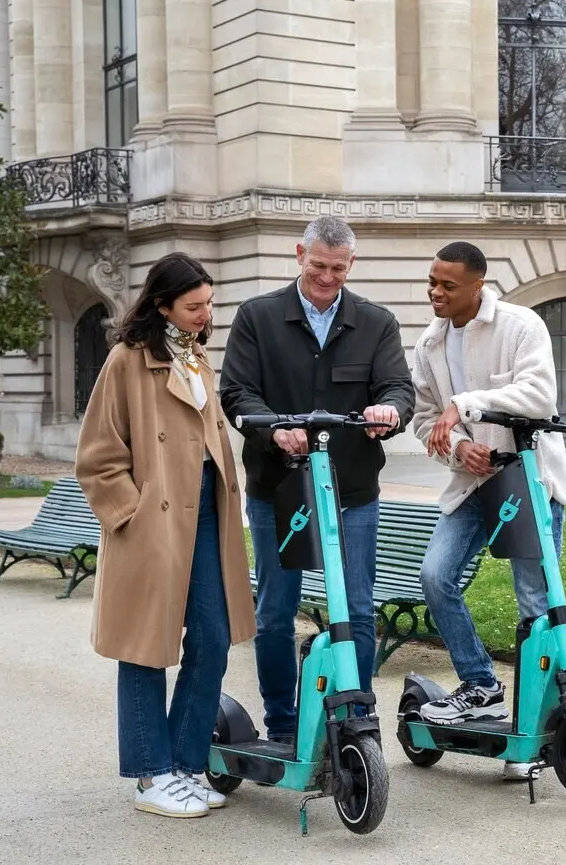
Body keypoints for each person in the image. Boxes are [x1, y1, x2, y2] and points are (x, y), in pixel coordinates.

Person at [219, 215, 415, 742]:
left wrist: (389, 412)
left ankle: (354, 721)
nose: (328, 278)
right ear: (299, 253)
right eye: (319, 265)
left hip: (351, 490)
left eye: (338, 268)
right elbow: (236, 393)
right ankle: (283, 725)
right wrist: (275, 428)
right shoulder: (257, 316)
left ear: (352, 264)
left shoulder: (376, 323)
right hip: (277, 490)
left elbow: (399, 388)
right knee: (276, 613)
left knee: (355, 607)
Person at [75, 253, 257, 818]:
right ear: (162, 304)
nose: (206, 314)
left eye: (208, 304)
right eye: (194, 305)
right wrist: (131, 515)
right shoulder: (127, 361)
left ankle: (185, 762)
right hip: (154, 521)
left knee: (212, 636)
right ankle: (152, 774)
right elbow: (98, 457)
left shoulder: (197, 357)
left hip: (206, 516)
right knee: (145, 645)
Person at [411, 240, 566, 782]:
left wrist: (470, 403)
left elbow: (538, 394)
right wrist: (460, 447)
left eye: (447, 285)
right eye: (432, 282)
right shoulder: (430, 344)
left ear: (477, 284)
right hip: (472, 484)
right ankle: (480, 685)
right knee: (436, 576)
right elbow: (424, 419)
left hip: (528, 480)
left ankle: (532, 730)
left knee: (535, 602)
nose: (436, 293)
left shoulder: (521, 325)